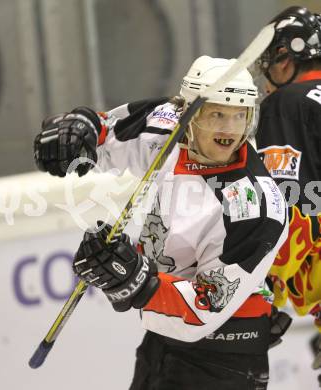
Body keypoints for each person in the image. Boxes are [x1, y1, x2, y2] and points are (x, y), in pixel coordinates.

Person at [34, 56, 289, 389]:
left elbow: (203, 309)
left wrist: (137, 282)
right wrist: (79, 131)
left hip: (225, 358)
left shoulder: (256, 205)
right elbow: (105, 132)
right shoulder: (168, 128)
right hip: (161, 343)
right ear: (189, 114)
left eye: (239, 115)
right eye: (217, 114)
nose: (230, 128)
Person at [254, 5, 321, 385]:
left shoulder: (287, 104)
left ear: (285, 56)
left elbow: (289, 212)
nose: (267, 81)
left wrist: (260, 296)